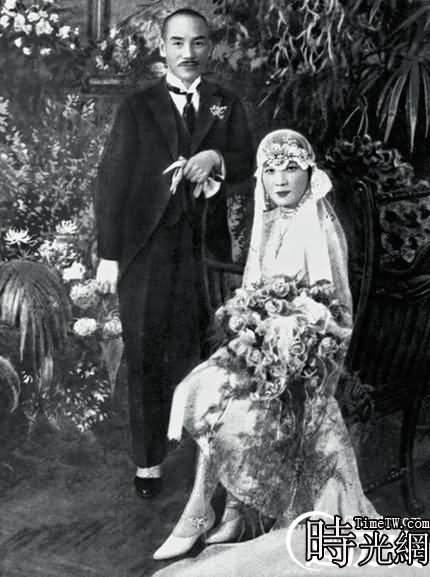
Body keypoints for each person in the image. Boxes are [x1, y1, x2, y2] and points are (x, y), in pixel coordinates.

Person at [152, 128, 381, 566]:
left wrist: (284, 337)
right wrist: (249, 324)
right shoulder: (270, 221)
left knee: (229, 405)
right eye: (271, 170)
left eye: (291, 168)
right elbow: (253, 291)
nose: (281, 180)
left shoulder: (318, 226)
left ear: (310, 174)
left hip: (307, 363)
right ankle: (227, 511)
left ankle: (205, 512)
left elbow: (332, 315)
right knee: (197, 388)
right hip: (266, 353)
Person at [95, 8, 254, 499]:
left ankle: (207, 463)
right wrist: (109, 255)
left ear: (211, 48)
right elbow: (111, 182)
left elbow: (249, 161)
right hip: (145, 249)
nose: (189, 53)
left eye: (199, 43)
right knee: (145, 352)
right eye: (178, 43)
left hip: (203, 251)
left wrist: (217, 158)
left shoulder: (226, 103)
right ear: (162, 48)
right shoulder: (137, 107)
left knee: (203, 350)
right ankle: (148, 463)